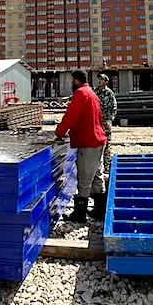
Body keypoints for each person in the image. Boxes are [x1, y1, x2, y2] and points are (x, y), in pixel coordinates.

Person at [55, 70, 108, 222]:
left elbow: (70, 117)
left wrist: (59, 133)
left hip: (88, 142)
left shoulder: (81, 94)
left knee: (84, 177)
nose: (71, 83)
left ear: (76, 80)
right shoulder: (91, 93)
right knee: (96, 175)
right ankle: (100, 210)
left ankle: (79, 214)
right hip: (97, 140)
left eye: (72, 80)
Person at [94, 73, 117, 180]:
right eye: (99, 79)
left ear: (106, 82)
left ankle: (106, 167)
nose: (99, 81)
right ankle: (97, 166)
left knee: (107, 145)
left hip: (105, 122)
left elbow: (114, 107)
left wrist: (109, 120)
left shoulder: (109, 93)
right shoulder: (94, 92)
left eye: (102, 79)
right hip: (95, 122)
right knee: (95, 145)